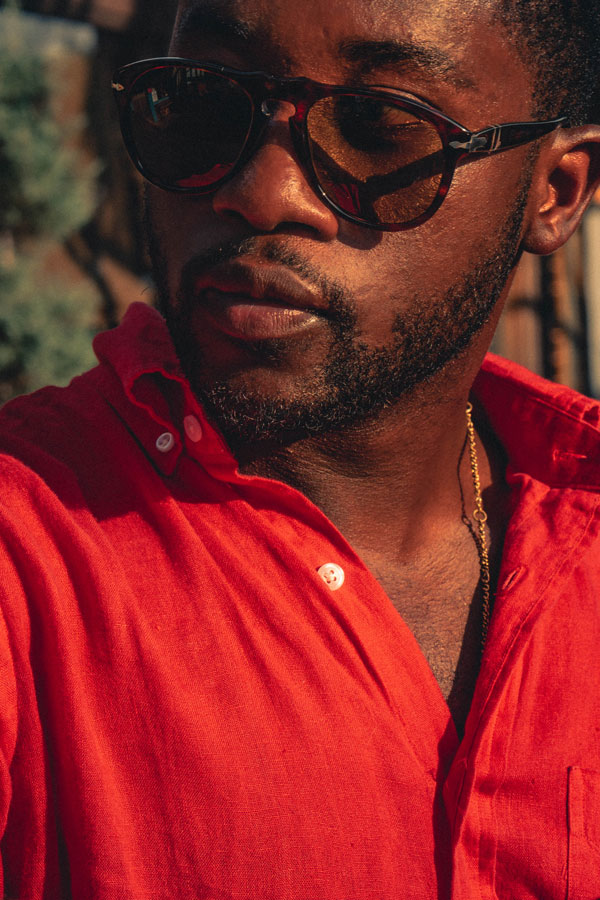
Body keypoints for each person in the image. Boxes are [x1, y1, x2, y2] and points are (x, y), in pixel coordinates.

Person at [1, 0, 600, 896]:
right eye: (200, 100)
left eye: (379, 127)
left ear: (554, 194)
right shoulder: (33, 538)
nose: (259, 191)